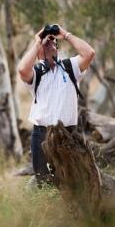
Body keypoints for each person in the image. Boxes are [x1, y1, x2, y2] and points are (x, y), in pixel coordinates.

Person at [17, 24, 95, 187]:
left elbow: (89, 53)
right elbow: (23, 69)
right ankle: (48, 209)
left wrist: (64, 34)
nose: (49, 43)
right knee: (44, 182)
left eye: (52, 41)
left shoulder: (70, 67)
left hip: (68, 133)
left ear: (58, 47)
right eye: (45, 43)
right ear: (38, 52)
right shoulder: (36, 72)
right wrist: (38, 41)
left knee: (74, 180)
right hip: (42, 135)